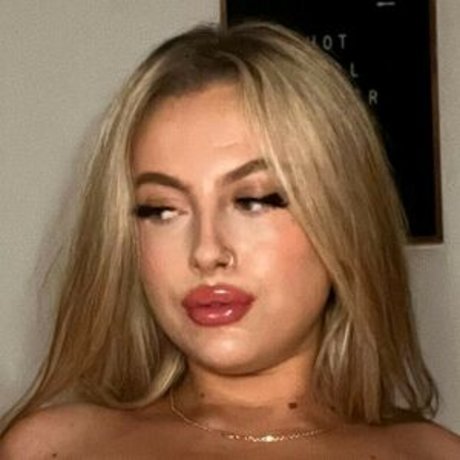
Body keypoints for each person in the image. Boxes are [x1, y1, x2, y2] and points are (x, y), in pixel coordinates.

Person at [1, 21, 459, 459]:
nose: (206, 252)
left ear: (345, 217)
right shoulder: (47, 449)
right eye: (161, 209)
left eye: (254, 200)